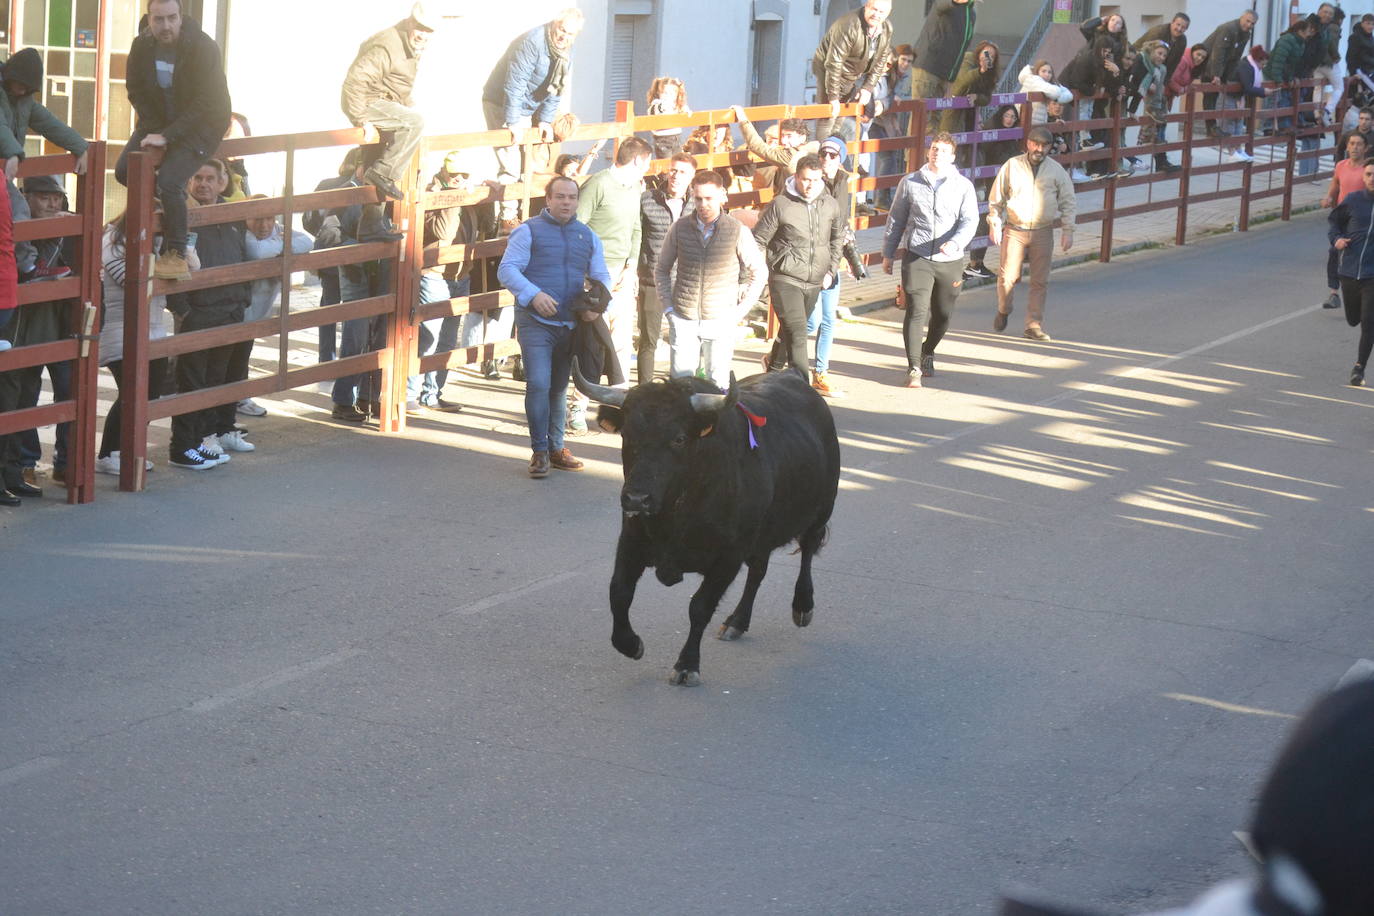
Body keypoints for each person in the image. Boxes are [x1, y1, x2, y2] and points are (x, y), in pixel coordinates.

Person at [497, 175, 611, 479]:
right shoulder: (527, 231)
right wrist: (533, 295)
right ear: (548, 200)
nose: (566, 202)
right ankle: (539, 452)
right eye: (560, 197)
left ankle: (557, 448)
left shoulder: (587, 235)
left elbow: (601, 276)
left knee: (560, 387)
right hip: (535, 321)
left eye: (572, 197)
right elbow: (507, 269)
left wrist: (596, 307)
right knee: (539, 383)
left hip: (571, 322)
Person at [117, 0, 232, 282]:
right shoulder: (141, 46)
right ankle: (178, 203)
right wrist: (157, 131)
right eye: (159, 20)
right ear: (149, 19)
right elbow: (136, 91)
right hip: (159, 121)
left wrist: (168, 137)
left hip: (203, 123)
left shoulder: (202, 48)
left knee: (169, 180)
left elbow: (205, 103)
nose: (165, 26)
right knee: (123, 171)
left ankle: (177, 252)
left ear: (181, 17)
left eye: (171, 18)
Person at [95, 205, 199, 476]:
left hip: (153, 329)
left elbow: (193, 269)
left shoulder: (160, 243)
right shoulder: (113, 240)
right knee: (131, 393)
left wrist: (181, 249)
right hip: (121, 329)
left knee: (150, 394)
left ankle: (128, 449)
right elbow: (130, 279)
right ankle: (110, 453)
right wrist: (167, 267)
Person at [165, 160, 255, 469]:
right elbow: (170, 264)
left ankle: (206, 439)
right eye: (197, 177)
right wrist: (183, 309)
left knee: (218, 381)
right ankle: (183, 447)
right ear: (189, 183)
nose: (203, 184)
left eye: (209, 179)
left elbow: (244, 258)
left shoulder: (233, 218)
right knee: (191, 383)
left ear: (221, 183)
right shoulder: (181, 217)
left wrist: (243, 299)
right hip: (198, 313)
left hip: (230, 311)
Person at [654, 170, 766, 390]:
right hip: (684, 316)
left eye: (709, 198)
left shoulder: (737, 230)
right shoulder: (679, 227)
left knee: (718, 386)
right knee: (681, 387)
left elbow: (759, 272)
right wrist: (668, 308)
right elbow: (661, 269)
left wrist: (739, 311)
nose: (703, 204)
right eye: (698, 198)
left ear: (722, 195)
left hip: (720, 318)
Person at [568, 135, 651, 433]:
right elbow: (577, 226)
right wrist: (587, 273)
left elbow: (636, 227)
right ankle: (576, 406)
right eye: (648, 162)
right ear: (640, 159)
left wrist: (631, 262)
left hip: (623, 272)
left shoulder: (635, 187)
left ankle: (617, 411)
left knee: (620, 341)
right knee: (593, 343)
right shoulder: (599, 184)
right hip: (595, 274)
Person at [881, 132, 977, 388]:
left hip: (950, 259)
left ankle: (928, 350)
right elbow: (896, 219)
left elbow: (970, 221)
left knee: (943, 315)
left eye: (944, 151)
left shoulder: (963, 186)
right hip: (918, 256)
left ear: (953, 157)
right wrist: (888, 253)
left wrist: (956, 242)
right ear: (928, 152)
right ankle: (913, 368)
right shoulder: (910, 182)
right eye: (934, 149)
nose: (937, 154)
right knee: (916, 310)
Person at [340, 2, 436, 241]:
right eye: (421, 27)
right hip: (366, 101)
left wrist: (405, 102)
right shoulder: (388, 44)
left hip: (380, 101)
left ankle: (371, 227)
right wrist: (361, 118)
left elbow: (396, 83)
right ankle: (382, 174)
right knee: (414, 124)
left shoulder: (410, 45)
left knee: (383, 157)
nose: (424, 34)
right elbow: (355, 82)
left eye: (429, 30)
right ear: (410, 22)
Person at [482, 8, 585, 228]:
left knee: (532, 159)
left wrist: (545, 120)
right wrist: (512, 121)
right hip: (501, 102)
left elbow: (557, 88)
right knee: (510, 158)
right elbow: (514, 85)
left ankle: (527, 212)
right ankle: (508, 218)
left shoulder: (566, 50)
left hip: (530, 105)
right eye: (561, 30)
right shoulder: (533, 42)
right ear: (554, 25)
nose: (563, 37)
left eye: (569, 34)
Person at [11, 175, 77, 486]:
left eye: (57, 197)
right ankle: (25, 462)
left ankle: (66, 463)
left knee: (71, 393)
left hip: (66, 325)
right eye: (43, 197)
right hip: (28, 325)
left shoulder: (74, 228)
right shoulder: (18, 229)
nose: (52, 203)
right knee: (26, 396)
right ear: (26, 198)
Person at [753, 154, 845, 375]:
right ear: (796, 176)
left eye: (815, 180)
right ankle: (804, 390)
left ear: (822, 177)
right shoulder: (781, 204)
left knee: (791, 331)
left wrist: (831, 270)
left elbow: (837, 238)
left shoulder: (829, 204)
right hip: (785, 277)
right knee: (798, 331)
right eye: (805, 179)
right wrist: (761, 273)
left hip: (815, 279)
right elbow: (758, 240)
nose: (810, 185)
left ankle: (773, 371)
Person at [987, 124, 1077, 342]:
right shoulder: (1012, 166)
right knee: (1008, 277)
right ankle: (1004, 309)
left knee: (1040, 280)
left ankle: (1033, 325)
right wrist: (995, 223)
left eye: (1044, 145)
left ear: (1049, 148)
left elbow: (1068, 201)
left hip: (1042, 230)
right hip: (1015, 229)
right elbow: (996, 199)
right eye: (1035, 144)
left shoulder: (1056, 171)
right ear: (1028, 144)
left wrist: (1068, 230)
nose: (1039, 149)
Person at [636, 151, 696, 384]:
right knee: (648, 340)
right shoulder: (648, 199)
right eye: (673, 170)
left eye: (682, 172)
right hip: (652, 279)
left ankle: (683, 393)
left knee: (685, 340)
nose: (675, 176)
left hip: (686, 281)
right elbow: (637, 236)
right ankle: (644, 394)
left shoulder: (697, 203)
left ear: (691, 176)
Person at [0, 47, 90, 181]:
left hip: (4, 171)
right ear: (11, 77)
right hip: (6, 167)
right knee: (17, 203)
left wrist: (80, 146)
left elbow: (49, 124)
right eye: (21, 86)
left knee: (17, 203)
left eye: (28, 89)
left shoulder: (24, 101)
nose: (23, 92)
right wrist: (13, 154)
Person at [1328, 157, 1374, 387]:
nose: (1372, 178)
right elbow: (1334, 222)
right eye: (1368, 174)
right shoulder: (1354, 200)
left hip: (1372, 275)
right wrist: (1336, 239)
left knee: (1369, 322)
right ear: (1363, 177)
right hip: (1349, 271)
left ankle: (1359, 368)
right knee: (1353, 319)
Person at [731, 105, 838, 194]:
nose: (784, 140)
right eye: (782, 135)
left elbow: (757, 146)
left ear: (802, 137)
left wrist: (742, 119)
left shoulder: (789, 155)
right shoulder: (817, 149)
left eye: (789, 136)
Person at [1133, 13, 1189, 172]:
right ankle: (1142, 144)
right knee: (1152, 115)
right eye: (1178, 24)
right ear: (1172, 22)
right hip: (1142, 72)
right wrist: (1149, 81)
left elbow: (1172, 64)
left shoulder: (1181, 41)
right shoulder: (1158, 32)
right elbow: (1141, 54)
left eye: (1183, 27)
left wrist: (1163, 85)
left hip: (1159, 77)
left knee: (1160, 117)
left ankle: (1161, 160)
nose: (1179, 29)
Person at [811, 0, 893, 108]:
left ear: (887, 13)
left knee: (842, 117)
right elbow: (834, 62)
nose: (876, 15)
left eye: (881, 12)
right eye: (874, 9)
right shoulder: (848, 25)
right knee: (828, 117)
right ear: (866, 7)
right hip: (827, 73)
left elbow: (881, 59)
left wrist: (868, 88)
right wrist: (833, 97)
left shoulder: (886, 28)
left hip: (851, 78)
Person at [1320, 132, 1366, 310]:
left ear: (1365, 148)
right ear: (1347, 146)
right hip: (1342, 216)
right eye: (1352, 144)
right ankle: (1333, 293)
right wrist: (1329, 197)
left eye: (1359, 144)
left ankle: (1363, 291)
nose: (1355, 147)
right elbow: (1335, 184)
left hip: (1361, 219)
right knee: (1334, 251)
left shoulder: (1369, 169)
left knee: (1359, 254)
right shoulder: (1341, 165)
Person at [1200, 10, 1258, 141]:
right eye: (1247, 21)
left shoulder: (1245, 35)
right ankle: (1211, 128)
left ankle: (1212, 128)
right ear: (1241, 18)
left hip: (1220, 68)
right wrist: (1216, 74)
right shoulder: (1229, 29)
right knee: (1210, 97)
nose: (1249, 25)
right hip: (1208, 64)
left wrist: (1226, 77)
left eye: (1252, 23)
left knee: (1213, 98)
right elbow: (1218, 53)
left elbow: (1235, 57)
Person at [870, 43, 914, 208]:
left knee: (892, 159)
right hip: (875, 121)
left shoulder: (901, 77)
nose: (906, 64)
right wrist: (892, 97)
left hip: (886, 122)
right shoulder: (888, 73)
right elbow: (881, 94)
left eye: (909, 61)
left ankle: (884, 197)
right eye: (903, 60)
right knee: (888, 159)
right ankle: (881, 199)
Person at [909, 0, 977, 102]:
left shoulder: (971, 14)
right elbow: (940, 5)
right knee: (921, 113)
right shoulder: (946, 4)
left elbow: (961, 50)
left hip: (945, 75)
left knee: (936, 115)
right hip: (928, 68)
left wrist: (951, 82)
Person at [936, 41, 1002, 137]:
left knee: (965, 143)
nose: (988, 58)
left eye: (992, 57)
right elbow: (962, 82)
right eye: (986, 53)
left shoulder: (991, 72)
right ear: (979, 52)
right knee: (947, 138)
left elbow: (987, 98)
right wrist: (980, 71)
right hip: (953, 108)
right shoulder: (968, 59)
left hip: (970, 114)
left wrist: (977, 97)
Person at [1227, 44, 1270, 163]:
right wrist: (1263, 91)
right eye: (1263, 64)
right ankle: (1232, 152)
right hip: (1230, 96)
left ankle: (1238, 150)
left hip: (1237, 96)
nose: (1263, 67)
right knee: (1230, 124)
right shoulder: (1246, 66)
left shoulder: (1248, 65)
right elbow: (1248, 87)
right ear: (1257, 60)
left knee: (1238, 124)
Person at [645, 77, 691, 160]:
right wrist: (663, 106)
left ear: (677, 94)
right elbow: (654, 110)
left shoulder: (676, 105)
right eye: (664, 93)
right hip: (663, 140)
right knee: (666, 164)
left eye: (672, 94)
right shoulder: (657, 103)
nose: (668, 96)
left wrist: (686, 110)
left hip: (677, 137)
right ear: (658, 93)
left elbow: (683, 109)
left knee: (677, 160)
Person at [1018, 59, 1073, 126]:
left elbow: (1069, 95)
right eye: (1043, 71)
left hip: (1037, 124)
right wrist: (1054, 96)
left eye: (1049, 72)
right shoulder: (1033, 80)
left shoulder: (1047, 84)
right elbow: (1055, 92)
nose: (1047, 74)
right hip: (1024, 123)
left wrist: (1056, 99)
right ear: (1037, 72)